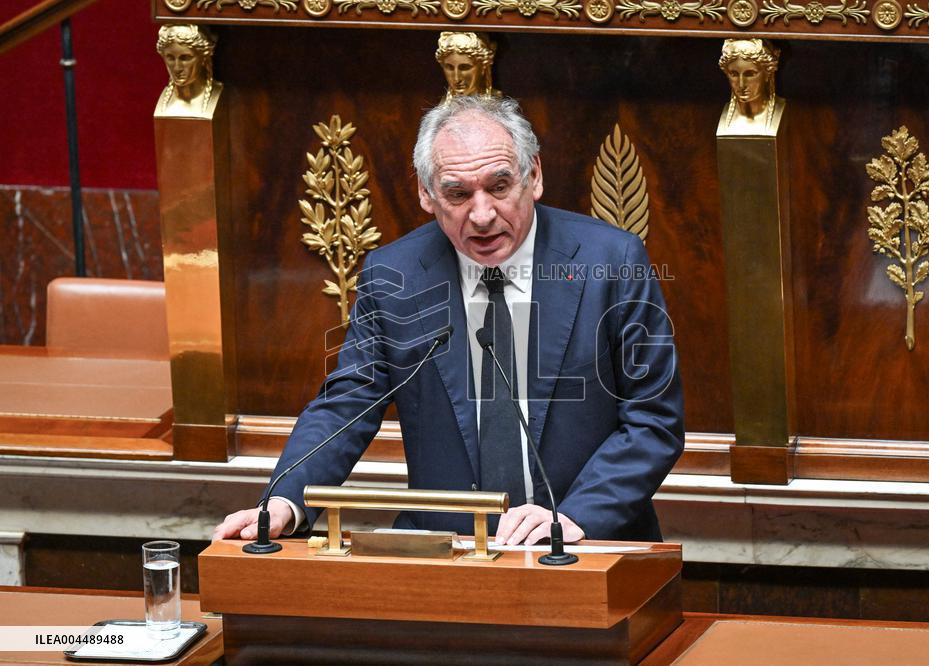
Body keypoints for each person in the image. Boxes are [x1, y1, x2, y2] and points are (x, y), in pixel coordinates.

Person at [213, 95, 683, 546]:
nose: (481, 215)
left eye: (499, 186)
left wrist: (576, 515)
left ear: (533, 176)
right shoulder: (393, 276)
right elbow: (346, 405)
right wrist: (283, 501)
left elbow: (653, 418)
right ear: (426, 194)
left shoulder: (612, 261)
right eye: (457, 194)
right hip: (448, 551)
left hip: (587, 543)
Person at [155, 24, 221, 118]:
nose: (177, 68)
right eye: (170, 58)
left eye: (185, 58)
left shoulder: (217, 93)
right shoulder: (164, 102)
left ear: (203, 58)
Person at [718, 38, 783, 133]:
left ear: (767, 74)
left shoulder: (784, 110)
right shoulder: (719, 114)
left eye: (750, 74)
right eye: (734, 74)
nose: (741, 84)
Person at [435, 32, 499, 100]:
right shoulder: (444, 104)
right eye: (450, 67)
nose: (457, 79)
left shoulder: (496, 102)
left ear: (483, 66)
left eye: (464, 68)